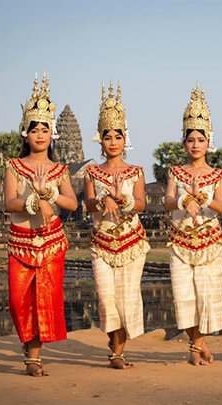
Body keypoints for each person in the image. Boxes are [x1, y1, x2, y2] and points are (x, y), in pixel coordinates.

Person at [4, 73, 78, 376]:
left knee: (45, 299)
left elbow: (72, 203)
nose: (39, 135)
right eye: (34, 129)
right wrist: (33, 201)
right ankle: (27, 345)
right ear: (26, 134)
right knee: (18, 300)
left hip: (51, 240)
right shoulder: (14, 166)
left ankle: (34, 357)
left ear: (53, 134)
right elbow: (9, 202)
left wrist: (52, 194)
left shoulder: (60, 169)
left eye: (44, 129)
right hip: (21, 239)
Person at [85, 82, 150, 369]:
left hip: (131, 243)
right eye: (107, 137)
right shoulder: (91, 172)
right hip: (102, 242)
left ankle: (118, 352)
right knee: (105, 298)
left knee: (125, 299)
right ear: (100, 140)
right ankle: (115, 348)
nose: (113, 142)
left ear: (126, 140)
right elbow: (87, 203)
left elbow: (141, 204)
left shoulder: (136, 171)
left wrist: (121, 200)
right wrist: (102, 200)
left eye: (118, 136)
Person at [164, 86, 222, 366]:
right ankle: (197, 345)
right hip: (180, 241)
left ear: (208, 142)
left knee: (206, 296)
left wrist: (204, 198)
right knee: (183, 296)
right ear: (184, 142)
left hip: (210, 242)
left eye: (200, 139)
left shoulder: (217, 174)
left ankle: (196, 346)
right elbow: (167, 201)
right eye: (190, 139)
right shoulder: (176, 172)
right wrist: (183, 199)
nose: (195, 145)